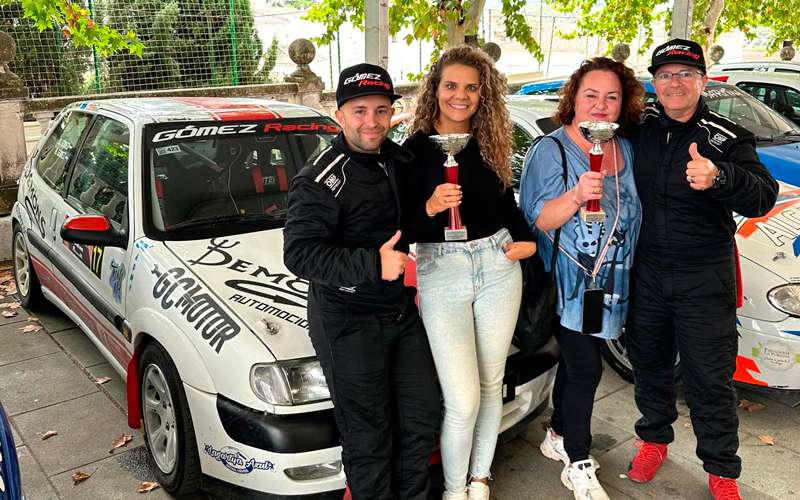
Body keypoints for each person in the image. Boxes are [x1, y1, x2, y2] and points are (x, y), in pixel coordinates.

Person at [625, 39, 778, 500]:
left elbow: (763, 196)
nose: (675, 82)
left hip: (703, 276)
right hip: (646, 272)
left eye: (685, 74)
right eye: (666, 74)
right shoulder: (637, 130)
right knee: (648, 366)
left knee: (709, 379)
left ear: (702, 82)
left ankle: (722, 471)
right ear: (654, 83)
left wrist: (721, 178)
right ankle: (653, 440)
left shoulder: (727, 136)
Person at [283, 63, 441, 500]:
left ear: (393, 111)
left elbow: (409, 218)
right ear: (340, 113)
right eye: (359, 110)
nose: (371, 121)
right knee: (368, 438)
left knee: (420, 419)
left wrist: (426, 213)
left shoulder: (400, 159)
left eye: (380, 110)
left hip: (400, 312)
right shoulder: (318, 178)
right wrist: (374, 264)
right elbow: (299, 254)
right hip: (347, 320)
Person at [399, 45, 537, 500]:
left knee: (490, 383)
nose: (461, 96)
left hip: (498, 265)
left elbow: (504, 204)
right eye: (452, 86)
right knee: (462, 399)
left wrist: (525, 239)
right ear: (435, 89)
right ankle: (454, 491)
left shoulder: (488, 140)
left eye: (472, 88)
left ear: (483, 94)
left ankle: (480, 479)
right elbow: (404, 228)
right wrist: (430, 208)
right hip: (442, 271)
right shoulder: (413, 151)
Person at [519, 57, 644, 500]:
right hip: (569, 286)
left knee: (577, 368)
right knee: (587, 369)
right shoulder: (550, 150)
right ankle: (577, 459)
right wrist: (575, 195)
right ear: (574, 99)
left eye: (612, 96)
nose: (601, 105)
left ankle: (555, 431)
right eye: (591, 95)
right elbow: (537, 218)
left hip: (615, 286)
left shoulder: (625, 148)